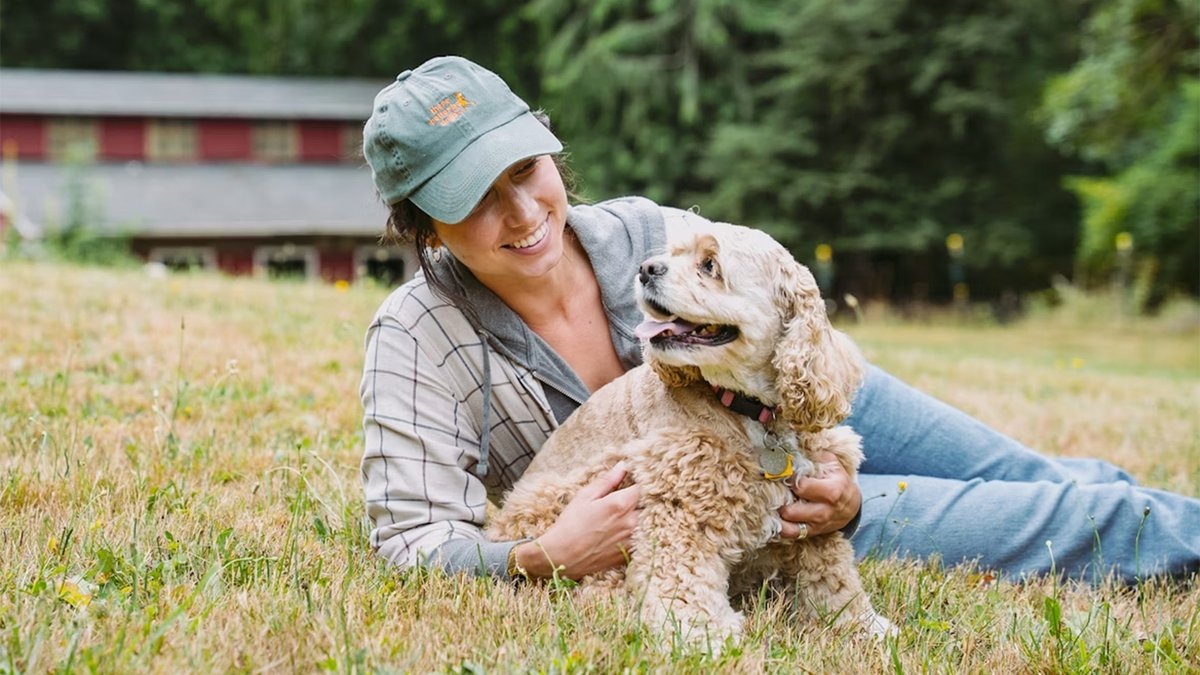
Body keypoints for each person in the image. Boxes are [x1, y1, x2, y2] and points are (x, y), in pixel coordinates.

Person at [358, 55, 1200, 585]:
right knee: (1073, 526)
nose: (523, 211)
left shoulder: (649, 232)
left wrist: (826, 441)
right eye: (474, 197)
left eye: (525, 168)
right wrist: (541, 554)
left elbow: (782, 302)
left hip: (809, 409)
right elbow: (411, 539)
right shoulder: (416, 337)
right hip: (757, 505)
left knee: (1036, 473)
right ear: (423, 224)